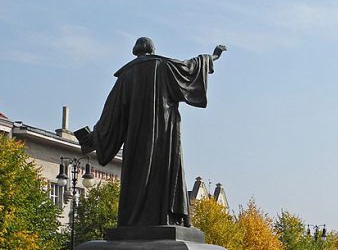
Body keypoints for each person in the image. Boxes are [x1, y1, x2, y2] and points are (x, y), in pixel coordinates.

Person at [75, 37, 226, 227]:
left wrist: (94, 138)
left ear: (135, 50)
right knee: (168, 170)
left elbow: (111, 114)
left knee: (137, 175)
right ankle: (170, 216)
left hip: (136, 139)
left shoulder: (125, 75)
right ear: (152, 50)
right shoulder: (162, 65)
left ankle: (135, 220)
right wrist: (212, 57)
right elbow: (189, 68)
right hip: (164, 134)